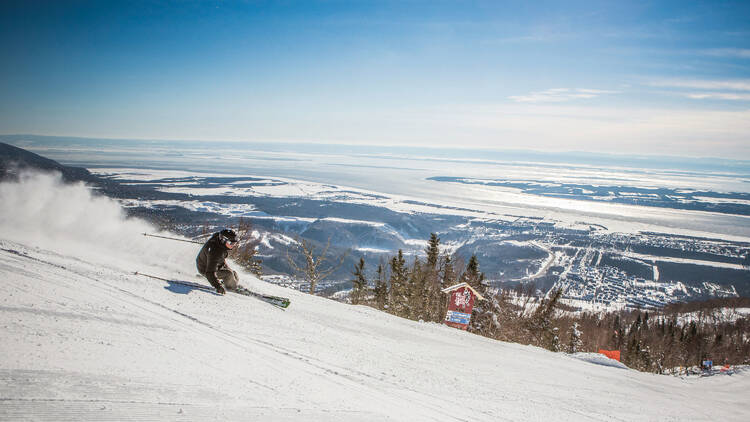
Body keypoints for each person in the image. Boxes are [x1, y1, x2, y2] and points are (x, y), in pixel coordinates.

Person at [196, 228, 239, 295]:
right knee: (229, 274)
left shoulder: (218, 239)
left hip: (212, 263)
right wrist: (218, 286)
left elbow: (219, 234)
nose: (233, 245)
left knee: (234, 273)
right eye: (231, 243)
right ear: (223, 240)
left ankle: (232, 284)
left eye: (235, 243)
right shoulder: (215, 252)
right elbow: (210, 272)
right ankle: (232, 288)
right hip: (205, 269)